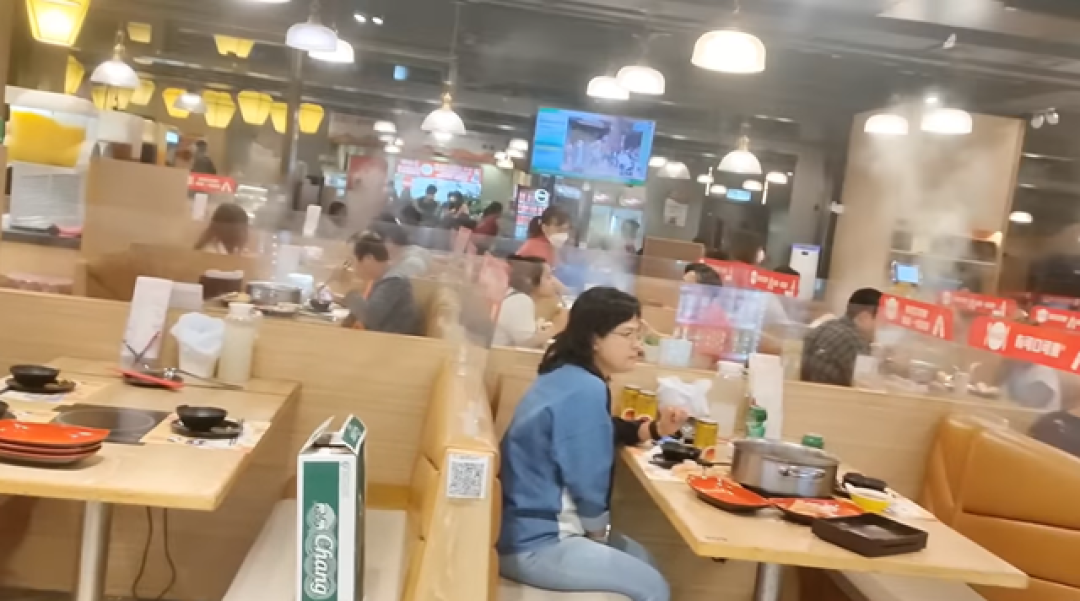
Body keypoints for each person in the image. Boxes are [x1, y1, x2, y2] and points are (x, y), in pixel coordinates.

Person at [498, 287, 685, 601]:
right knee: (654, 589)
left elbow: (600, 429)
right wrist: (598, 534)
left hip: (522, 528)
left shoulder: (566, 375)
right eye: (627, 334)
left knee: (643, 560)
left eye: (638, 335)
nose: (638, 346)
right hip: (537, 541)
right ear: (594, 339)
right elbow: (588, 478)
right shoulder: (585, 388)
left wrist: (654, 429)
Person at [801, 288, 883, 387]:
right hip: (827, 396)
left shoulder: (825, 326)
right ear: (864, 317)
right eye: (882, 320)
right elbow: (867, 387)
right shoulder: (854, 341)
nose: (883, 327)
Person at [342, 232, 420, 335]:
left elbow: (370, 317)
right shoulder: (382, 278)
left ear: (368, 258)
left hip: (390, 342)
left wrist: (348, 288)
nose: (352, 267)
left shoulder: (394, 281)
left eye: (352, 261)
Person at [494, 256, 567, 348]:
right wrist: (557, 327)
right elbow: (527, 344)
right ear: (530, 280)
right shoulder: (519, 300)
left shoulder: (513, 295)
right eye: (548, 277)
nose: (554, 282)